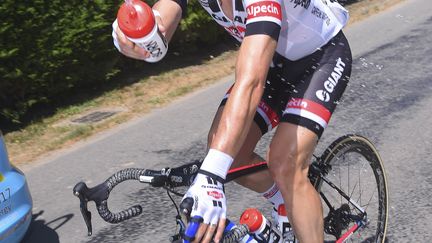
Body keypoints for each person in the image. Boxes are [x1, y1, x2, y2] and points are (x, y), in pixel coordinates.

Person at [113, 0, 352, 242]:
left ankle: (294, 196)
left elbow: (251, 81)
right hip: (274, 64)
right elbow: (164, 16)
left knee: (285, 164)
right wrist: (139, 33)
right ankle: (284, 202)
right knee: (227, 151)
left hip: (320, 58)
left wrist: (212, 176)